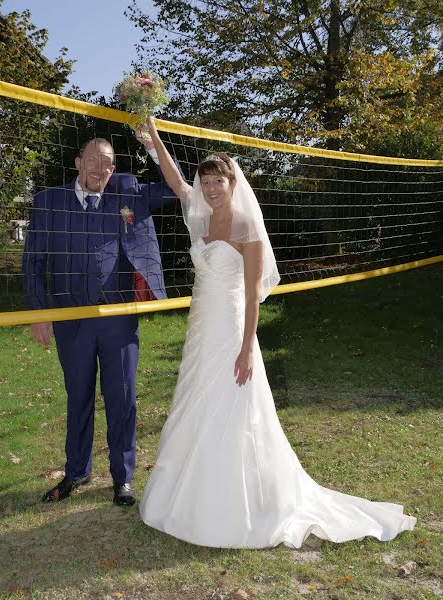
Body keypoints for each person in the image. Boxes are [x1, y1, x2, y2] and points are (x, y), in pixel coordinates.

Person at [139, 117, 416, 547]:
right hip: (199, 327)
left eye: (218, 182)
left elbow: (253, 296)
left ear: (233, 184)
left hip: (232, 328)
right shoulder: (199, 214)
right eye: (206, 182)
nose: (211, 189)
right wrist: (152, 134)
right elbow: (175, 181)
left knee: (232, 403)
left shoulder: (246, 228)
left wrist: (248, 348)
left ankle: (242, 504)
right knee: (196, 398)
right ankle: (188, 495)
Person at [23, 133, 174, 506]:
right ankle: (77, 470)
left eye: (108, 162)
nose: (100, 168)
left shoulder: (127, 194)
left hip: (117, 317)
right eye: (93, 160)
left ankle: (122, 478)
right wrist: (39, 313)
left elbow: (172, 189)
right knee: (79, 396)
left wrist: (152, 141)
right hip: (70, 318)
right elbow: (33, 262)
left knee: (122, 397)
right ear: (77, 162)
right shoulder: (49, 202)